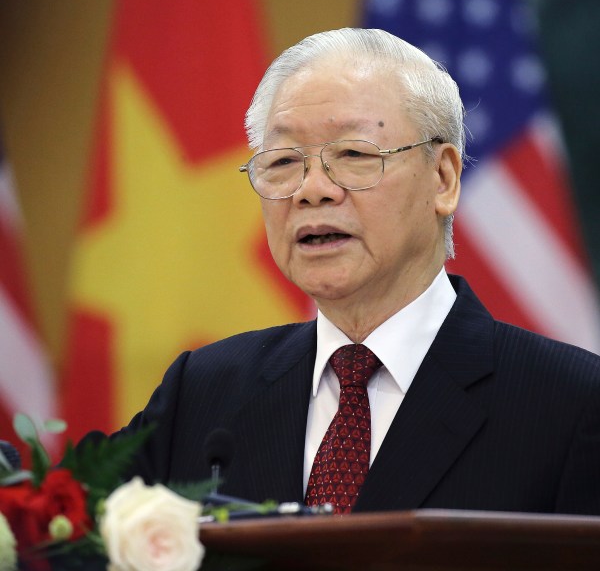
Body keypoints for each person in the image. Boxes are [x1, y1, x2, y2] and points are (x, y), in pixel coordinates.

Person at [116, 28, 600, 515]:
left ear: (444, 178)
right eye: (284, 161)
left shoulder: (571, 404)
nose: (312, 190)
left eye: (353, 155)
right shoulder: (200, 393)